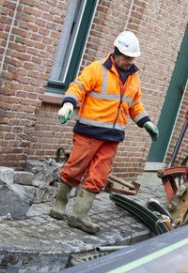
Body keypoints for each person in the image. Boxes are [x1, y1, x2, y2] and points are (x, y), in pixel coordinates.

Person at [50, 31, 159, 234]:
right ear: (116, 53)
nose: (129, 61)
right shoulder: (97, 69)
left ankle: (79, 216)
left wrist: (146, 123)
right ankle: (59, 204)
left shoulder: (134, 77)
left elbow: (134, 104)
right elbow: (78, 87)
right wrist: (67, 104)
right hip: (89, 133)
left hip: (112, 138)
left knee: (98, 177)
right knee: (74, 169)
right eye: (126, 57)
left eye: (132, 58)